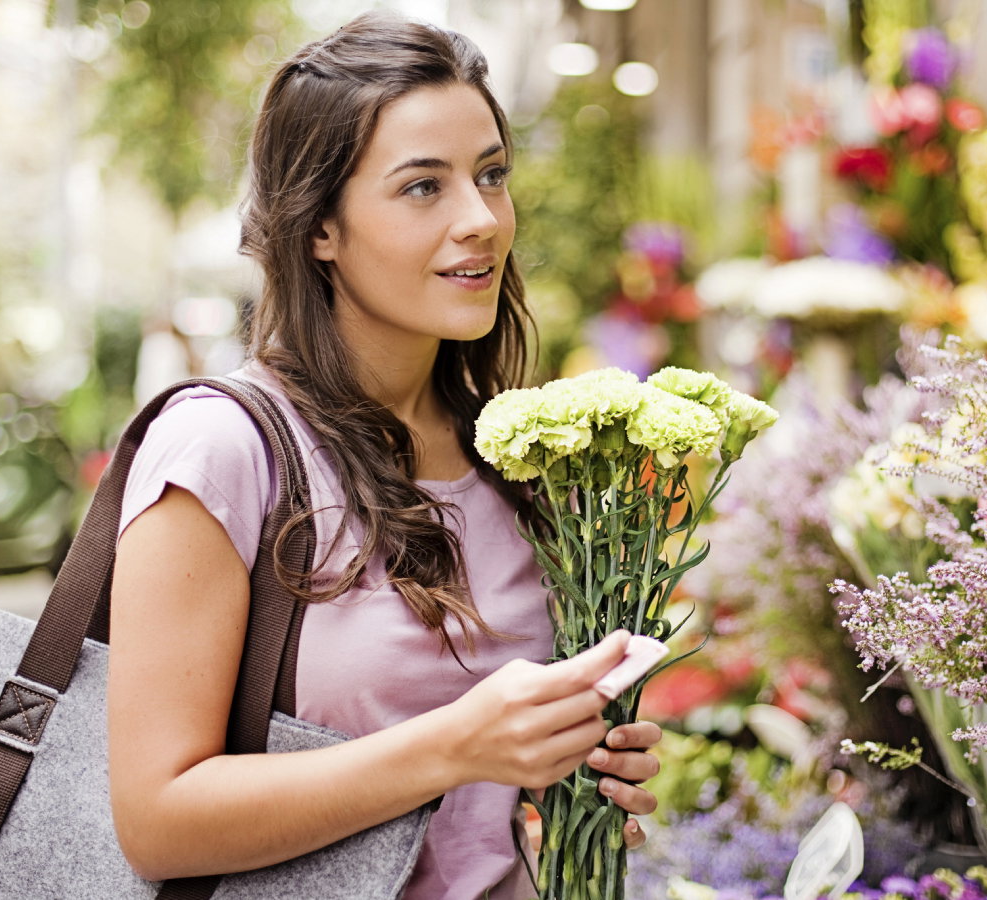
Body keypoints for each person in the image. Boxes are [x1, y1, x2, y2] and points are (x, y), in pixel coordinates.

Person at [107, 11, 662, 899]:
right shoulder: (224, 450)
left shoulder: (515, 458)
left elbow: (497, 785)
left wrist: (583, 757)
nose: (480, 219)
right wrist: (453, 746)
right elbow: (157, 821)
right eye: (422, 188)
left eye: (491, 176)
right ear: (319, 225)